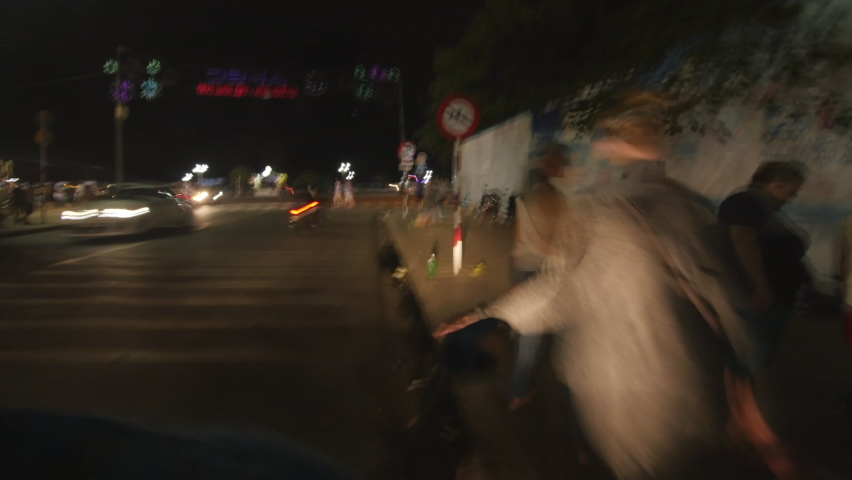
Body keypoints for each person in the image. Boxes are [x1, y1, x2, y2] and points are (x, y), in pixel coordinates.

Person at [434, 90, 791, 479]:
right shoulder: (684, 208)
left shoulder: (598, 210)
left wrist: (485, 313)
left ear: (610, 145)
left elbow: (555, 293)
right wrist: (751, 399)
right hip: (684, 391)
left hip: (618, 395)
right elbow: (726, 307)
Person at [717, 161, 810, 368]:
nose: (791, 198)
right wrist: (760, 287)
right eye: (791, 192)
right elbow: (743, 240)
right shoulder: (746, 203)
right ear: (776, 184)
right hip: (755, 294)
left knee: (754, 353)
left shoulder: (762, 206)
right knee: (749, 355)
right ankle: (740, 385)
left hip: (770, 294)